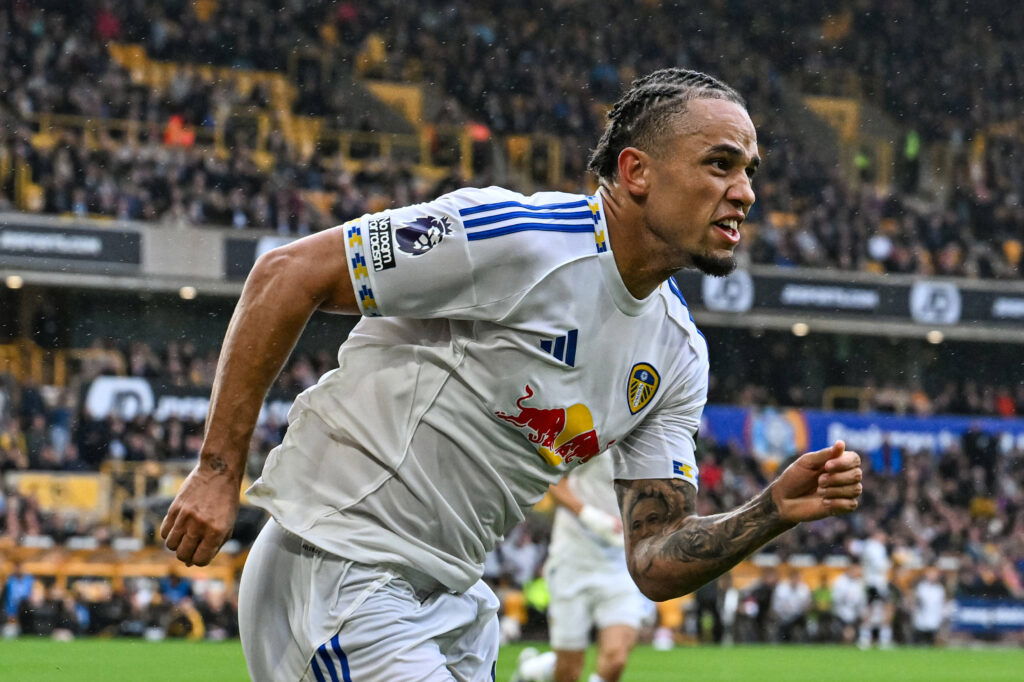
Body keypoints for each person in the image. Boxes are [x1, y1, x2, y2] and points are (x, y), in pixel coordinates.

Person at [160, 68, 864, 681]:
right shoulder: (520, 240)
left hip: (451, 598)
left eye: (750, 171)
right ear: (636, 172)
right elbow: (285, 275)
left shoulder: (677, 357)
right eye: (720, 164)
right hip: (338, 564)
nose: (745, 192)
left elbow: (654, 557)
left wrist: (770, 511)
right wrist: (219, 471)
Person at [513, 455, 646, 682]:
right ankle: (532, 670)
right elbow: (552, 480)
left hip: (619, 564)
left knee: (617, 658)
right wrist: (591, 516)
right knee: (568, 671)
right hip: (572, 561)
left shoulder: (654, 445)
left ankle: (537, 667)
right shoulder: (600, 435)